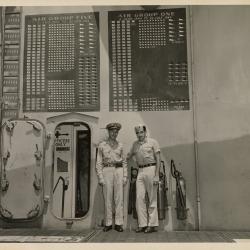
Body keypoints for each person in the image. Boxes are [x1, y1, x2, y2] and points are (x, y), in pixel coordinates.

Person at [127, 124, 161, 233]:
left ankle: (152, 225)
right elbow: (130, 155)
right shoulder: (135, 144)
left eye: (141, 132)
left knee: (152, 198)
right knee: (139, 198)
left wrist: (156, 175)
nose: (139, 135)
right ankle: (142, 224)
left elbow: (158, 159)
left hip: (151, 169)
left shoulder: (153, 142)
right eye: (137, 133)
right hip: (140, 171)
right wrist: (134, 161)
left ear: (145, 132)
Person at [96, 122, 127, 232]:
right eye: (112, 131)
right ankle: (108, 223)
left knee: (119, 198)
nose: (114, 133)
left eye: (116, 132)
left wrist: (125, 176)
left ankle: (119, 223)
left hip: (118, 170)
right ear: (108, 132)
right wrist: (100, 177)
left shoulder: (120, 145)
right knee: (108, 198)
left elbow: (124, 162)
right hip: (107, 170)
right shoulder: (102, 145)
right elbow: (99, 162)